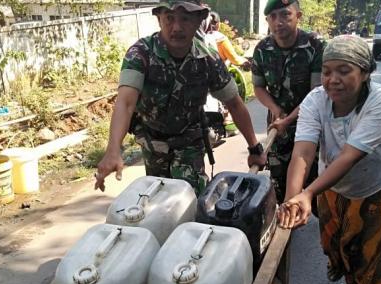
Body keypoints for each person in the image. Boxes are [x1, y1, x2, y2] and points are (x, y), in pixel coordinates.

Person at [279, 35, 381, 284]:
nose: (332, 79)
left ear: (364, 73)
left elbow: (350, 156)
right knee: (332, 237)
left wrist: (308, 193)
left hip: (377, 180)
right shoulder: (315, 99)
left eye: (344, 71)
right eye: (327, 71)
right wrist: (291, 199)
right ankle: (338, 262)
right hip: (332, 182)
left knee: (371, 245)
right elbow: (303, 152)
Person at [94, 0, 266, 195]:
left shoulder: (208, 59)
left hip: (189, 142)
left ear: (199, 20)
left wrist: (254, 148)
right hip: (153, 143)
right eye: (169, 18)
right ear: (159, 19)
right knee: (156, 200)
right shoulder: (140, 54)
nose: (177, 27)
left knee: (188, 198)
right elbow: (125, 103)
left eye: (185, 19)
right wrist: (113, 150)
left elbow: (234, 104)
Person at [251, 0, 325, 203]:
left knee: (314, 184)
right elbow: (258, 87)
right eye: (273, 17)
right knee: (280, 183)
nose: (278, 22)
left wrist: (289, 119)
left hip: (310, 125)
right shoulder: (262, 49)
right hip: (278, 127)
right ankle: (286, 224)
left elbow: (317, 93)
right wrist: (275, 109)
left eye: (285, 15)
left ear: (298, 16)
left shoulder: (315, 45)